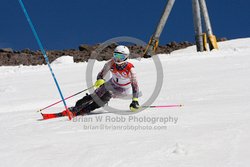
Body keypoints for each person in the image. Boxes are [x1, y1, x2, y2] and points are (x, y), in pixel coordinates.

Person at [69, 45, 140, 116]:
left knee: (107, 94)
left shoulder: (130, 69)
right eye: (116, 55)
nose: (118, 59)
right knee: (95, 95)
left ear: (126, 57)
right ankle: (76, 107)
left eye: (121, 57)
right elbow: (101, 74)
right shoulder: (111, 63)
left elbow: (135, 85)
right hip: (112, 83)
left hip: (123, 89)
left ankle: (88, 109)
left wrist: (135, 100)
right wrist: (100, 80)